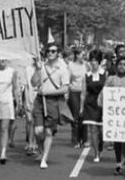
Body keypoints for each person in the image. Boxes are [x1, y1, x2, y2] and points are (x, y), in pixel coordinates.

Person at [31, 42, 71, 170]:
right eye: (48, 51)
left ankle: (44, 158)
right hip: (39, 100)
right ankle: (41, 150)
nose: (50, 53)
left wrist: (48, 92)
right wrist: (37, 70)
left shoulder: (63, 68)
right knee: (38, 131)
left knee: (48, 131)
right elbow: (33, 83)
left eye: (53, 51)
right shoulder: (41, 66)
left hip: (53, 102)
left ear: (58, 53)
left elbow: (65, 89)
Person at [83, 49, 107, 162]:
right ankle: (96, 153)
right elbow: (83, 92)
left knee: (101, 130)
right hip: (90, 103)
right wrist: (81, 108)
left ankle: (100, 146)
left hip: (102, 104)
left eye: (95, 60)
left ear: (99, 62)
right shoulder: (87, 75)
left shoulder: (105, 74)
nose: (93, 63)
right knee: (92, 129)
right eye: (91, 60)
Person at [67, 48, 88, 147]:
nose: (83, 57)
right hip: (74, 92)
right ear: (77, 55)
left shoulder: (86, 65)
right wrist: (67, 94)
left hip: (84, 92)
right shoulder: (70, 66)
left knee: (83, 116)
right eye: (82, 55)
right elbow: (68, 80)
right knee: (76, 117)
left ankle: (84, 139)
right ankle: (75, 140)